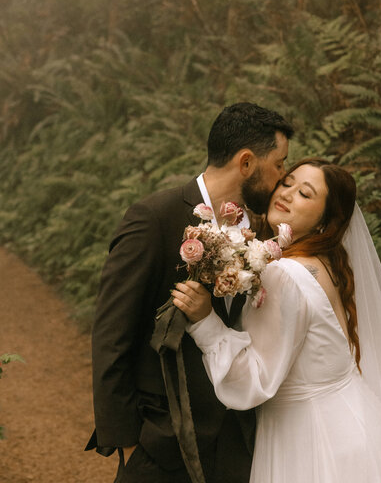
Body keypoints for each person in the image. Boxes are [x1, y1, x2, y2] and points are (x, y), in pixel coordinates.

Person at [85, 102, 294, 483]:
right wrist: (128, 446)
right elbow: (111, 336)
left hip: (236, 444)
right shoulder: (154, 218)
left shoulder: (263, 234)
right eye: (279, 164)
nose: (283, 177)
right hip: (161, 442)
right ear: (246, 162)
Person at [173, 158, 381, 483]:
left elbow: (254, 381)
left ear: (325, 220)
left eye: (305, 194)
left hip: (312, 439)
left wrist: (205, 322)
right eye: (288, 181)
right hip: (354, 424)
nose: (288, 193)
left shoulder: (284, 274)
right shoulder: (326, 262)